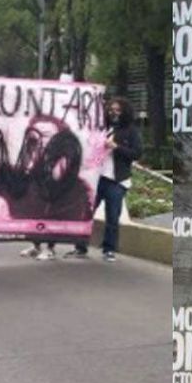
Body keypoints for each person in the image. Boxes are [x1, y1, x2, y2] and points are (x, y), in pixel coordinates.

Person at [65, 97, 142, 262]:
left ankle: (109, 249)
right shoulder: (101, 128)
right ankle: (80, 247)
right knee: (86, 213)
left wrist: (116, 147)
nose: (114, 113)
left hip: (116, 180)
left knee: (112, 216)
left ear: (125, 112)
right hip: (96, 179)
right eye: (111, 110)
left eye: (118, 110)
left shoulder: (131, 131)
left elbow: (136, 153)